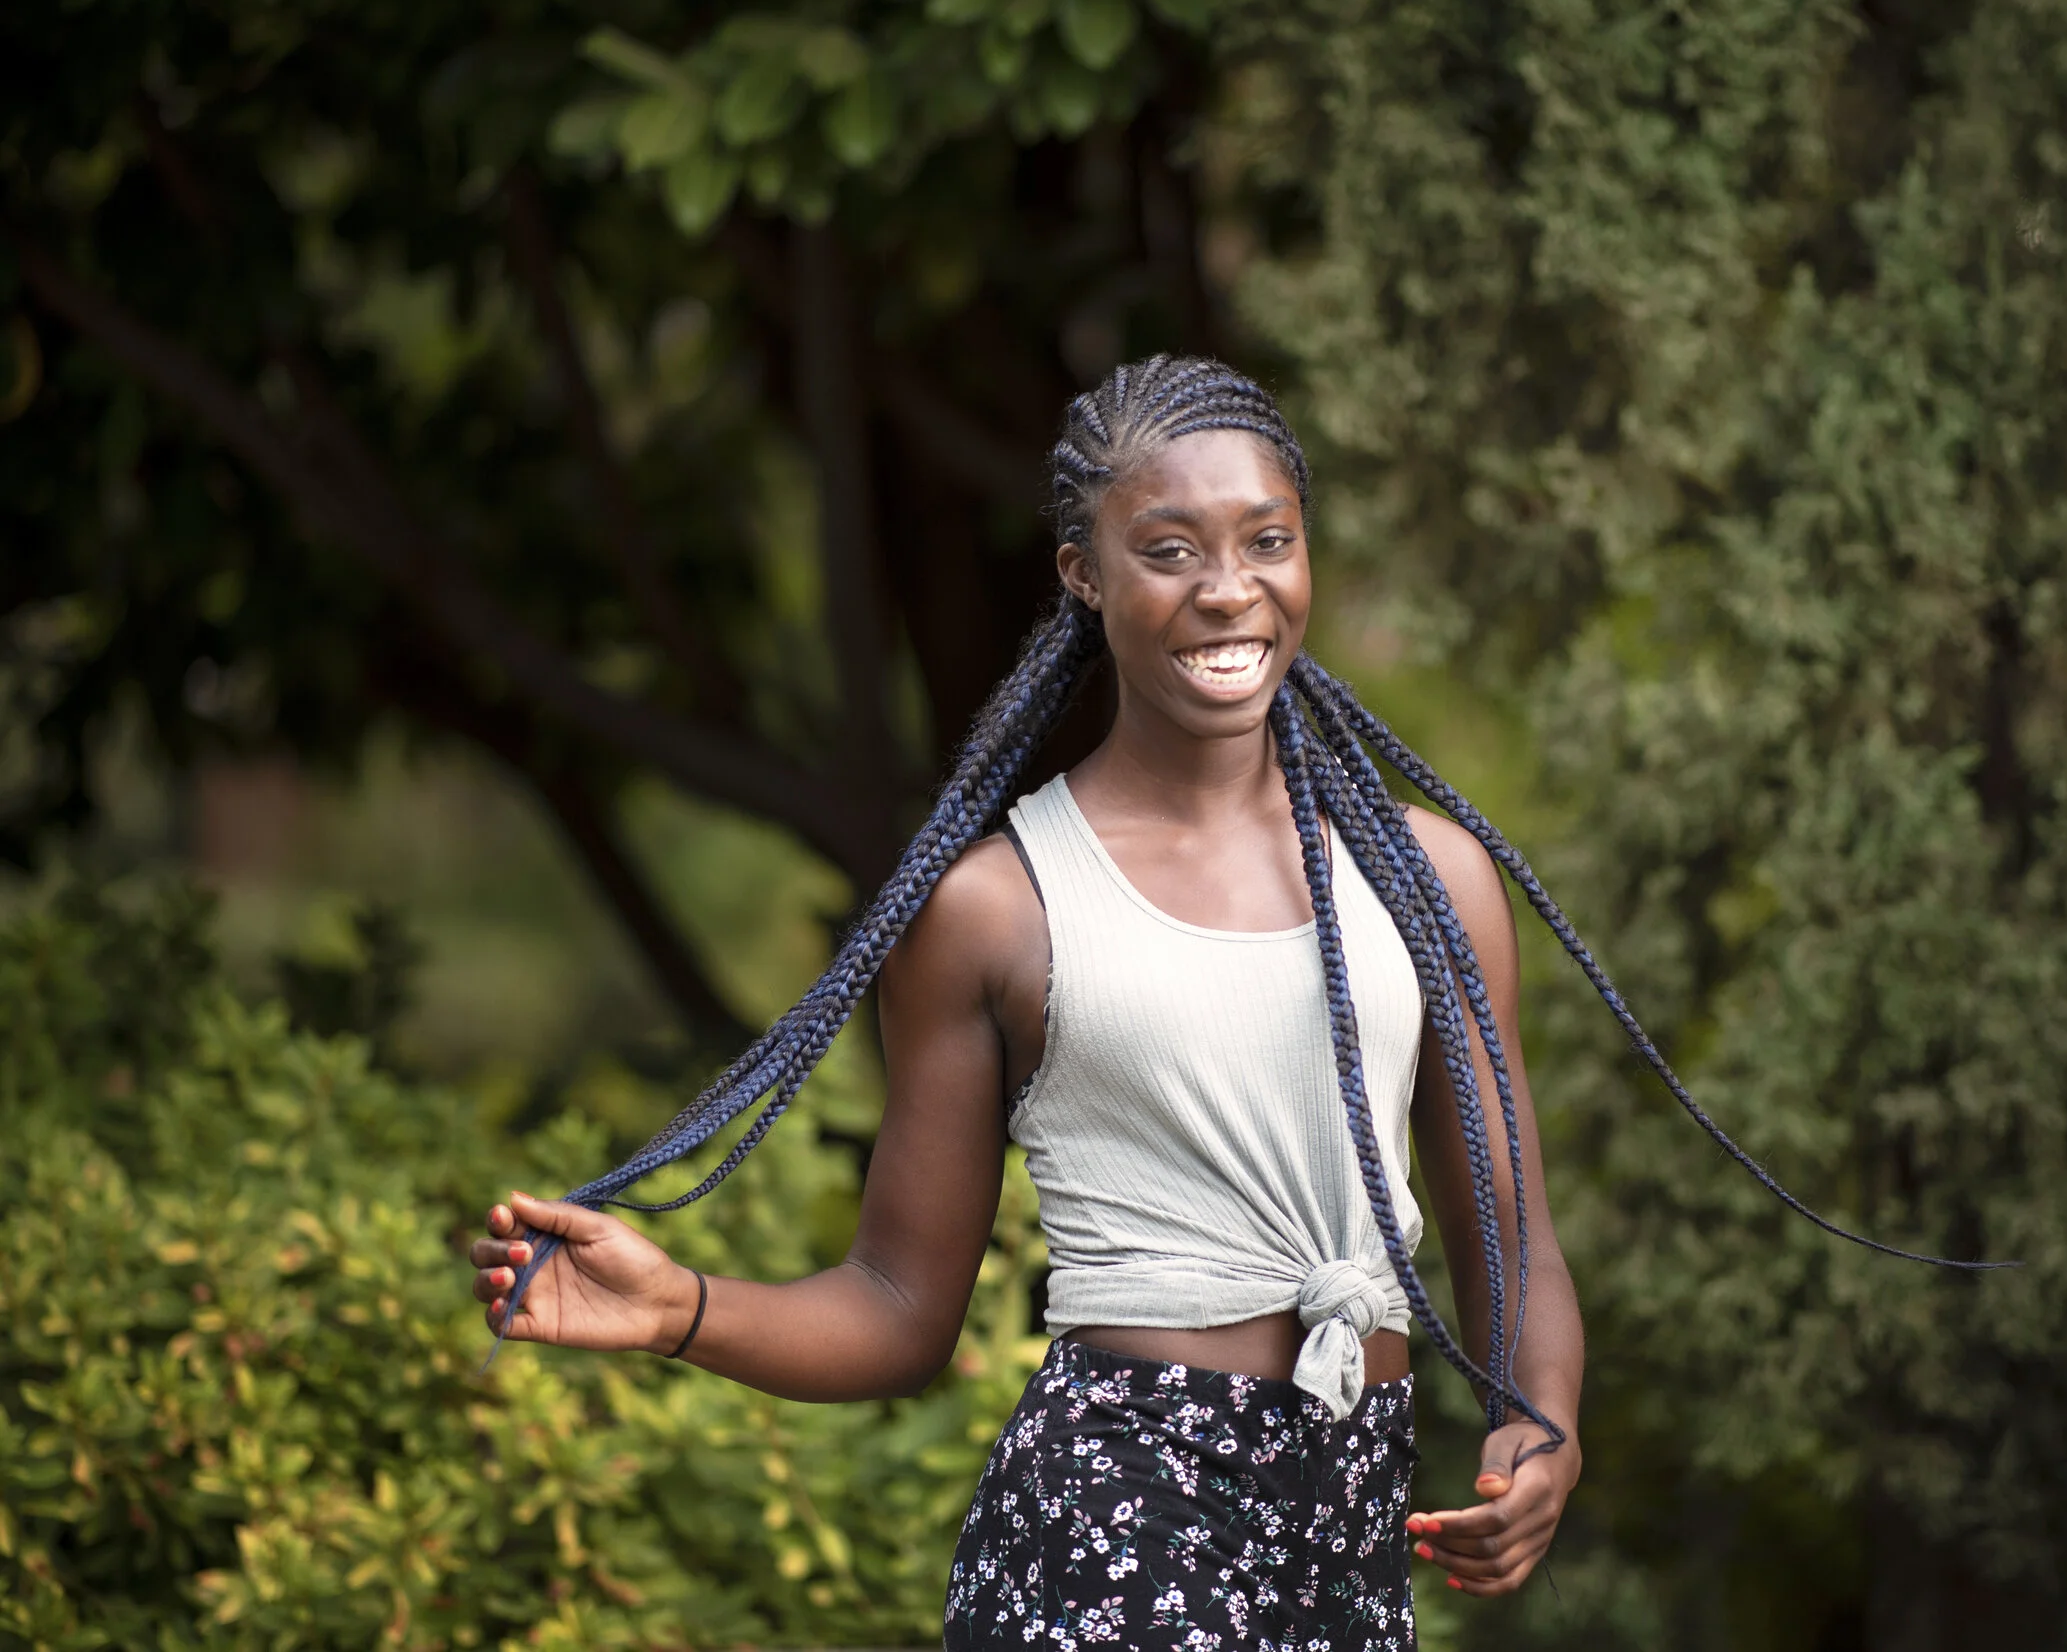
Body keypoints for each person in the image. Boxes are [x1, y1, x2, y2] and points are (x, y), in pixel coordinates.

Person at [467, 356, 1983, 1650]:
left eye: (1267, 539)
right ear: (1086, 575)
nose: (1228, 589)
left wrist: (1544, 1424)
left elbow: (1510, 1242)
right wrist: (681, 1309)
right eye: (1170, 549)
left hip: (1348, 1531)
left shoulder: (1430, 880)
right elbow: (898, 1308)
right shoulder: (1000, 907)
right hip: (1111, 1532)